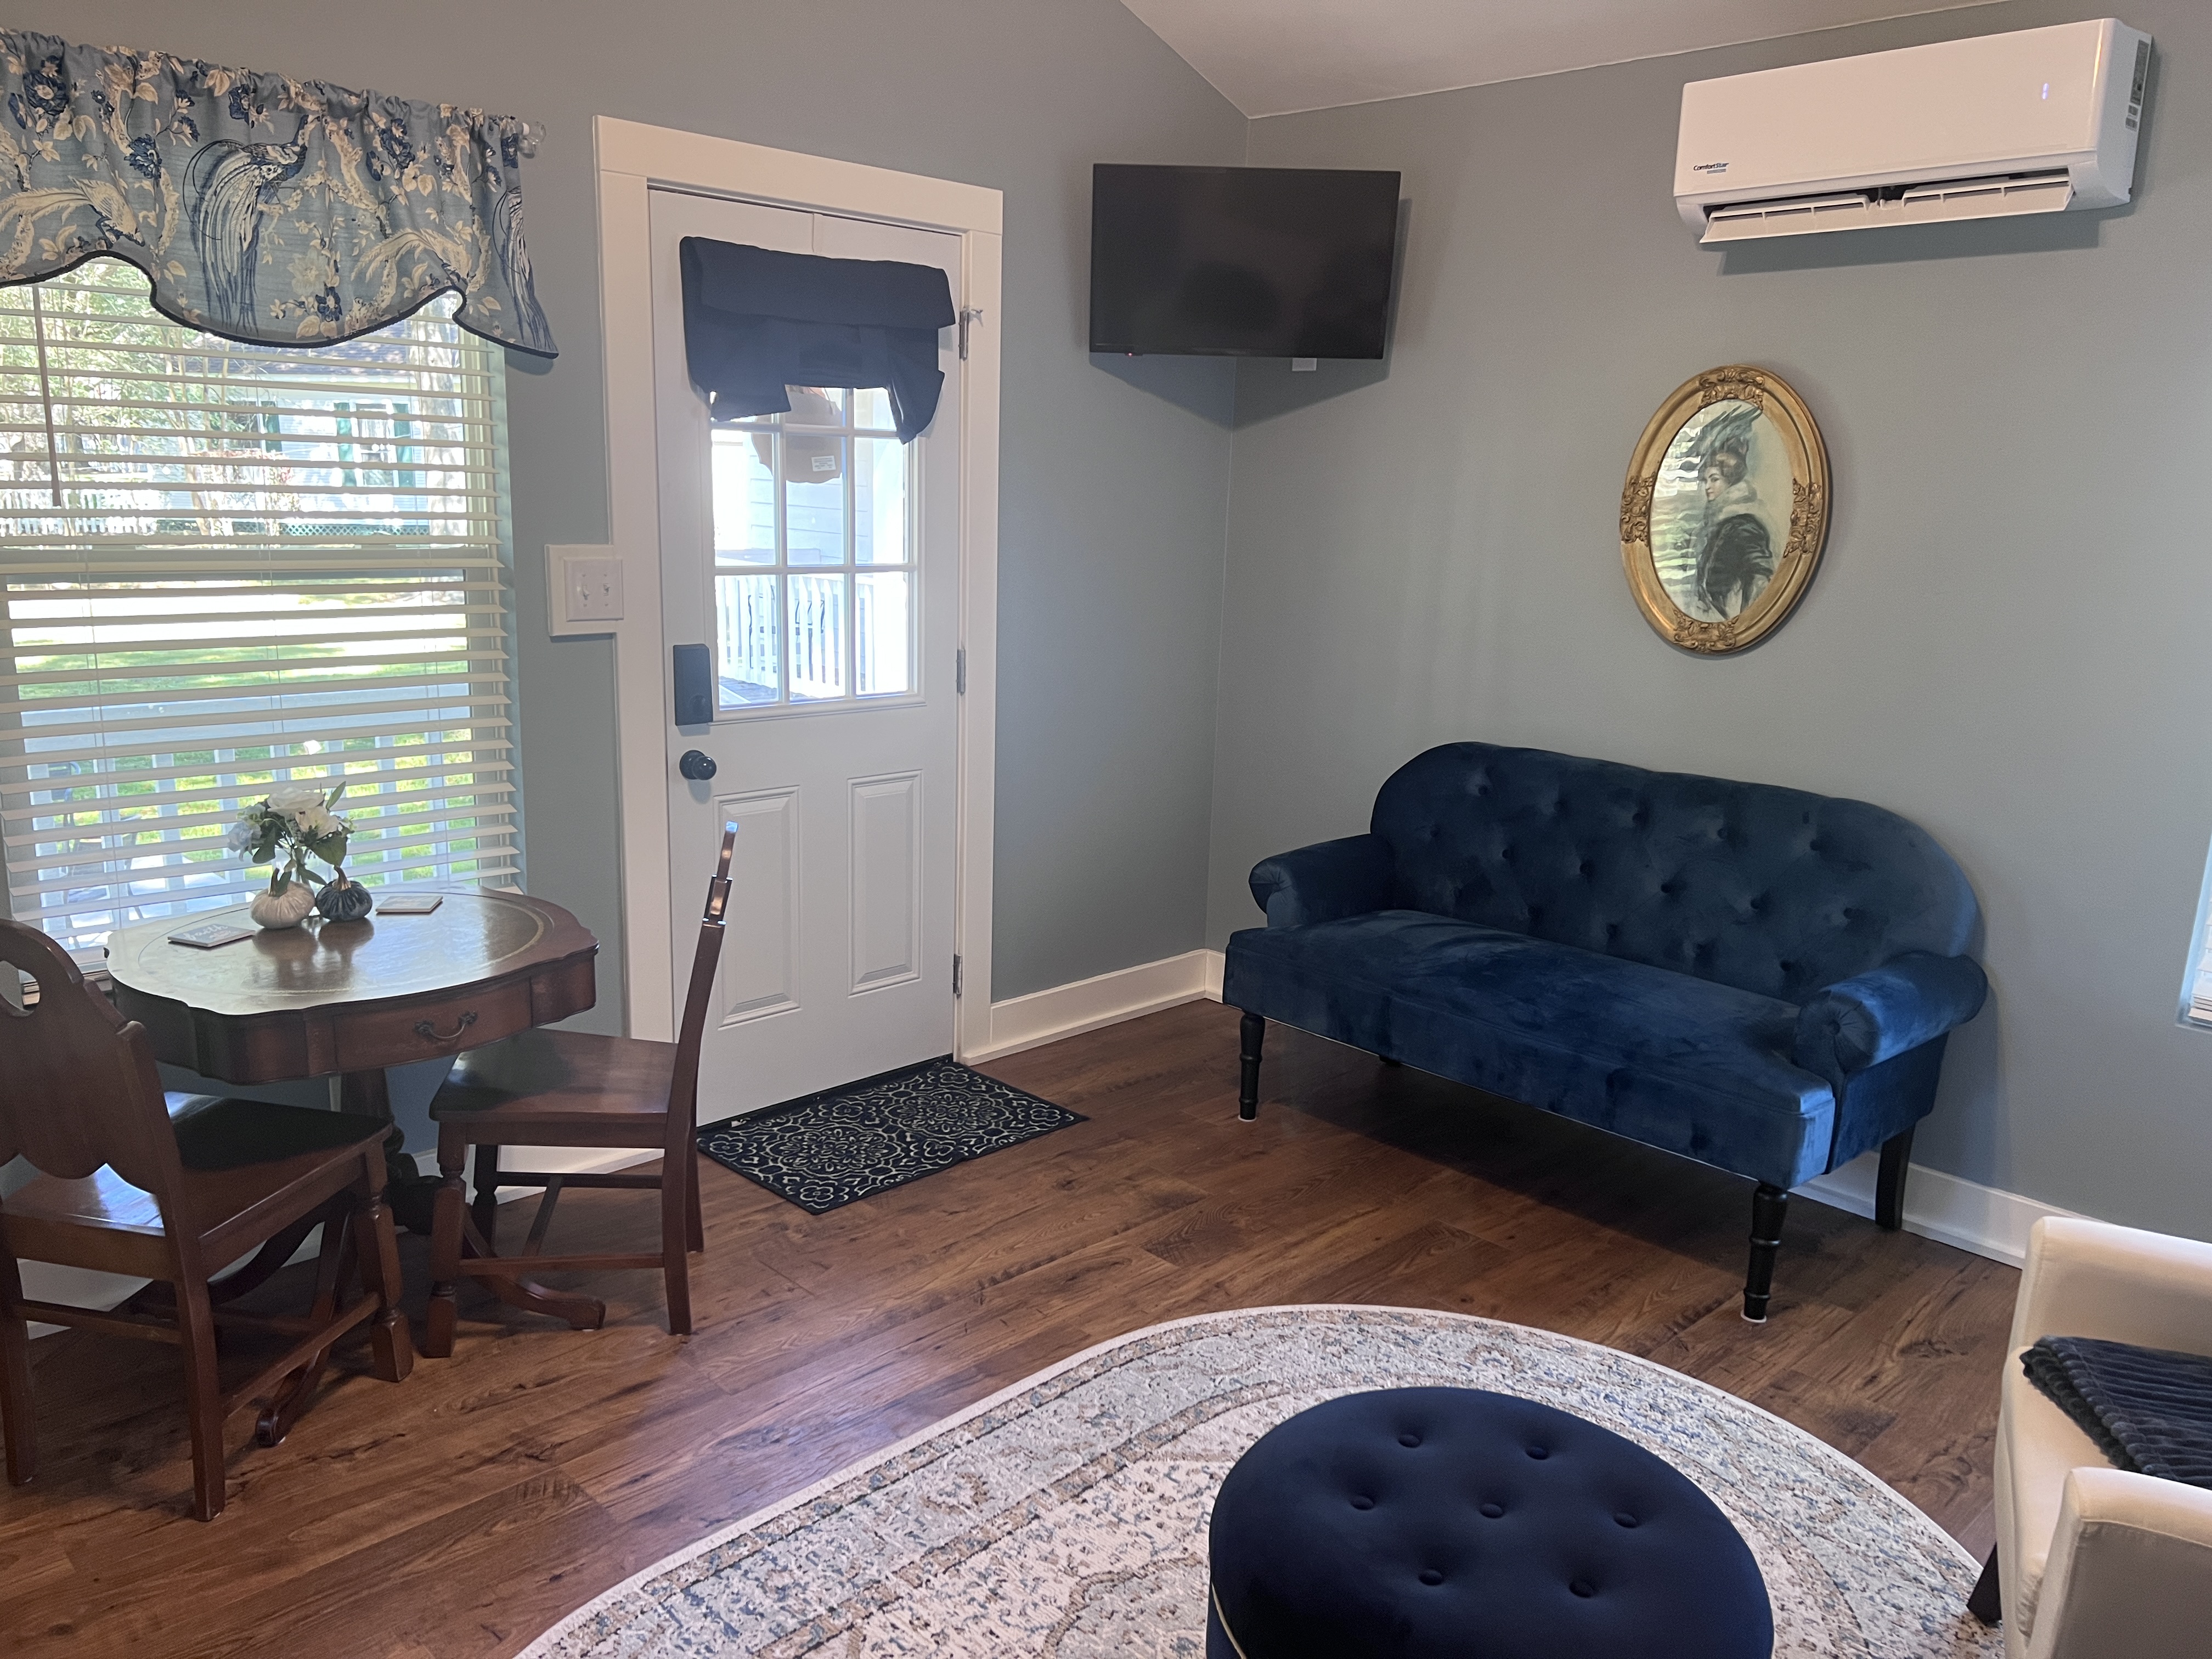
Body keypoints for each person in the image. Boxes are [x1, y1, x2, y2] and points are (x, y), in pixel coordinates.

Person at [1692, 438, 1774, 618]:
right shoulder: (1717, 525)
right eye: (1706, 480)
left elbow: (1761, 580)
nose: (1708, 487)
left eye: (1715, 479)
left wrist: (1744, 623)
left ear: (1731, 482)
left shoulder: (1744, 526)